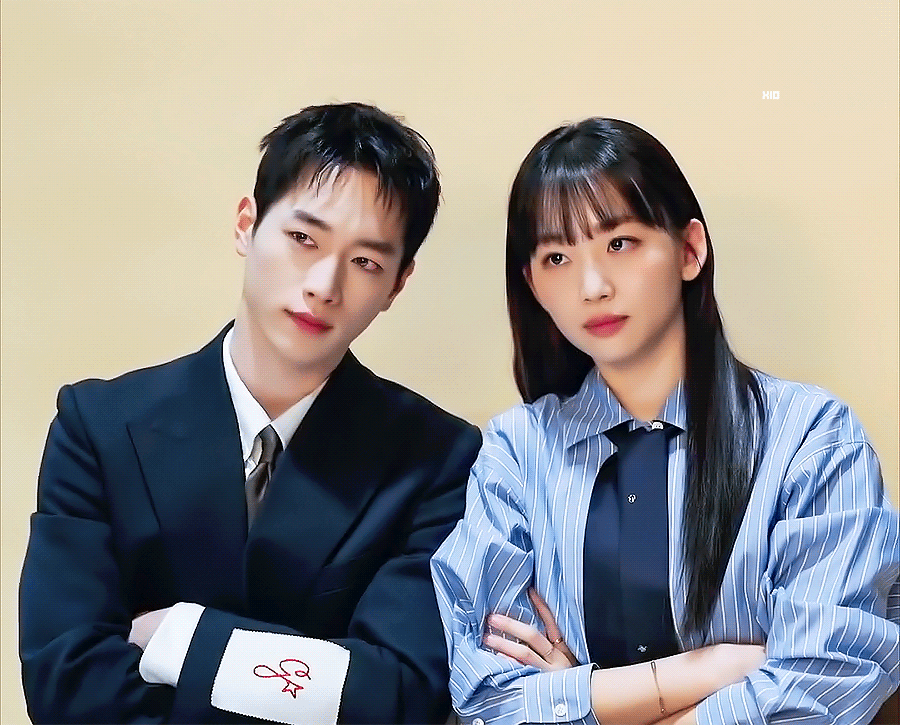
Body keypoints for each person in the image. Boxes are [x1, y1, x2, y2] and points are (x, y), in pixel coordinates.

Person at [20, 102, 482, 725]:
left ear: (397, 285)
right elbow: (65, 683)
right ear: (247, 224)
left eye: (366, 262)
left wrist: (182, 638)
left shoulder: (438, 458)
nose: (324, 285)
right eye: (303, 239)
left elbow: (399, 695)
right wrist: (319, 682)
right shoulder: (99, 427)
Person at [431, 118, 899, 725]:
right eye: (557, 257)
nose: (592, 286)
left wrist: (585, 696)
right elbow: (487, 696)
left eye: (619, 243)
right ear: (534, 285)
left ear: (689, 250)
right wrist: (701, 672)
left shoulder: (811, 436)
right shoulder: (516, 452)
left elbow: (827, 682)